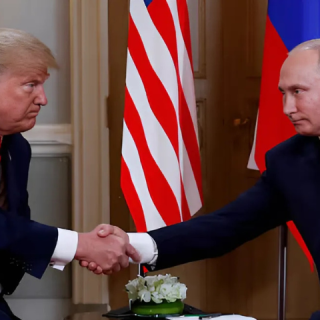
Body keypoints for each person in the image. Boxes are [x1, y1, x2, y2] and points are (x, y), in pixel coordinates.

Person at [83, 38, 320, 318]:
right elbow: (227, 225)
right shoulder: (289, 161)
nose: (286, 108)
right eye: (283, 93)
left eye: (297, 91)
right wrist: (131, 244)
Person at [0, 28, 140, 319]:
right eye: (31, 85)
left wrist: (81, 247)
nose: (43, 99)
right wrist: (81, 245)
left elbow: (14, 226)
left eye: (43, 85)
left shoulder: (17, 148)